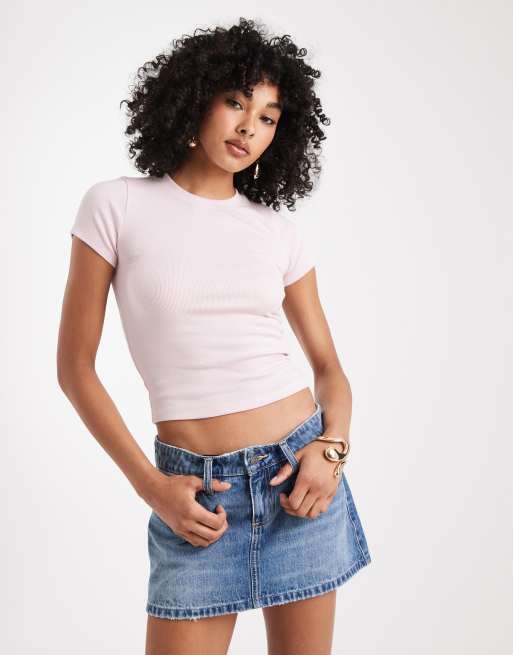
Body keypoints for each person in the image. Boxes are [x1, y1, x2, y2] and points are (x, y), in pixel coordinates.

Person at [57, 17, 371, 655]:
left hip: (298, 480)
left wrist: (331, 450)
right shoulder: (115, 206)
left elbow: (330, 371)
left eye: (269, 116)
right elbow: (75, 369)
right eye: (235, 101)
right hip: (196, 499)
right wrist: (151, 486)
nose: (249, 127)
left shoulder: (277, 232)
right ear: (194, 97)